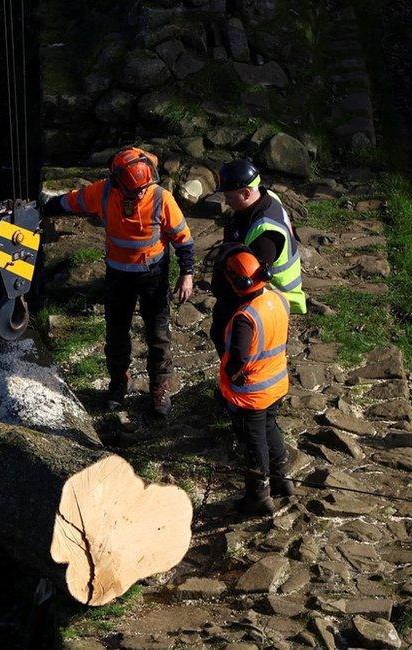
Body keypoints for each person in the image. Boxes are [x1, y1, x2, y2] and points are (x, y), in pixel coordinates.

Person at [42, 146, 195, 417]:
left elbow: (184, 240)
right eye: (134, 190)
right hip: (118, 277)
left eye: (143, 188)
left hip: (153, 275)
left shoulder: (161, 198)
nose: (139, 194)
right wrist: (41, 206)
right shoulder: (102, 192)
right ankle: (118, 384)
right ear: (116, 182)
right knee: (116, 333)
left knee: (158, 335)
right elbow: (70, 201)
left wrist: (187, 274)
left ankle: (159, 387)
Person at [218, 248, 296, 515]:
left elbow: (239, 357)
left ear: (236, 282)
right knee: (270, 427)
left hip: (251, 393)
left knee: (253, 443)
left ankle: (258, 496)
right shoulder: (278, 299)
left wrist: (229, 373)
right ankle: (282, 478)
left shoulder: (245, 318)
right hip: (276, 383)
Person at [210, 159, 306, 357]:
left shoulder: (265, 234)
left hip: (270, 297)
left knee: (241, 345)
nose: (226, 202)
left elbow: (251, 283)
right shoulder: (266, 196)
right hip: (266, 293)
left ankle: (237, 382)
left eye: (229, 196)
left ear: (246, 193)